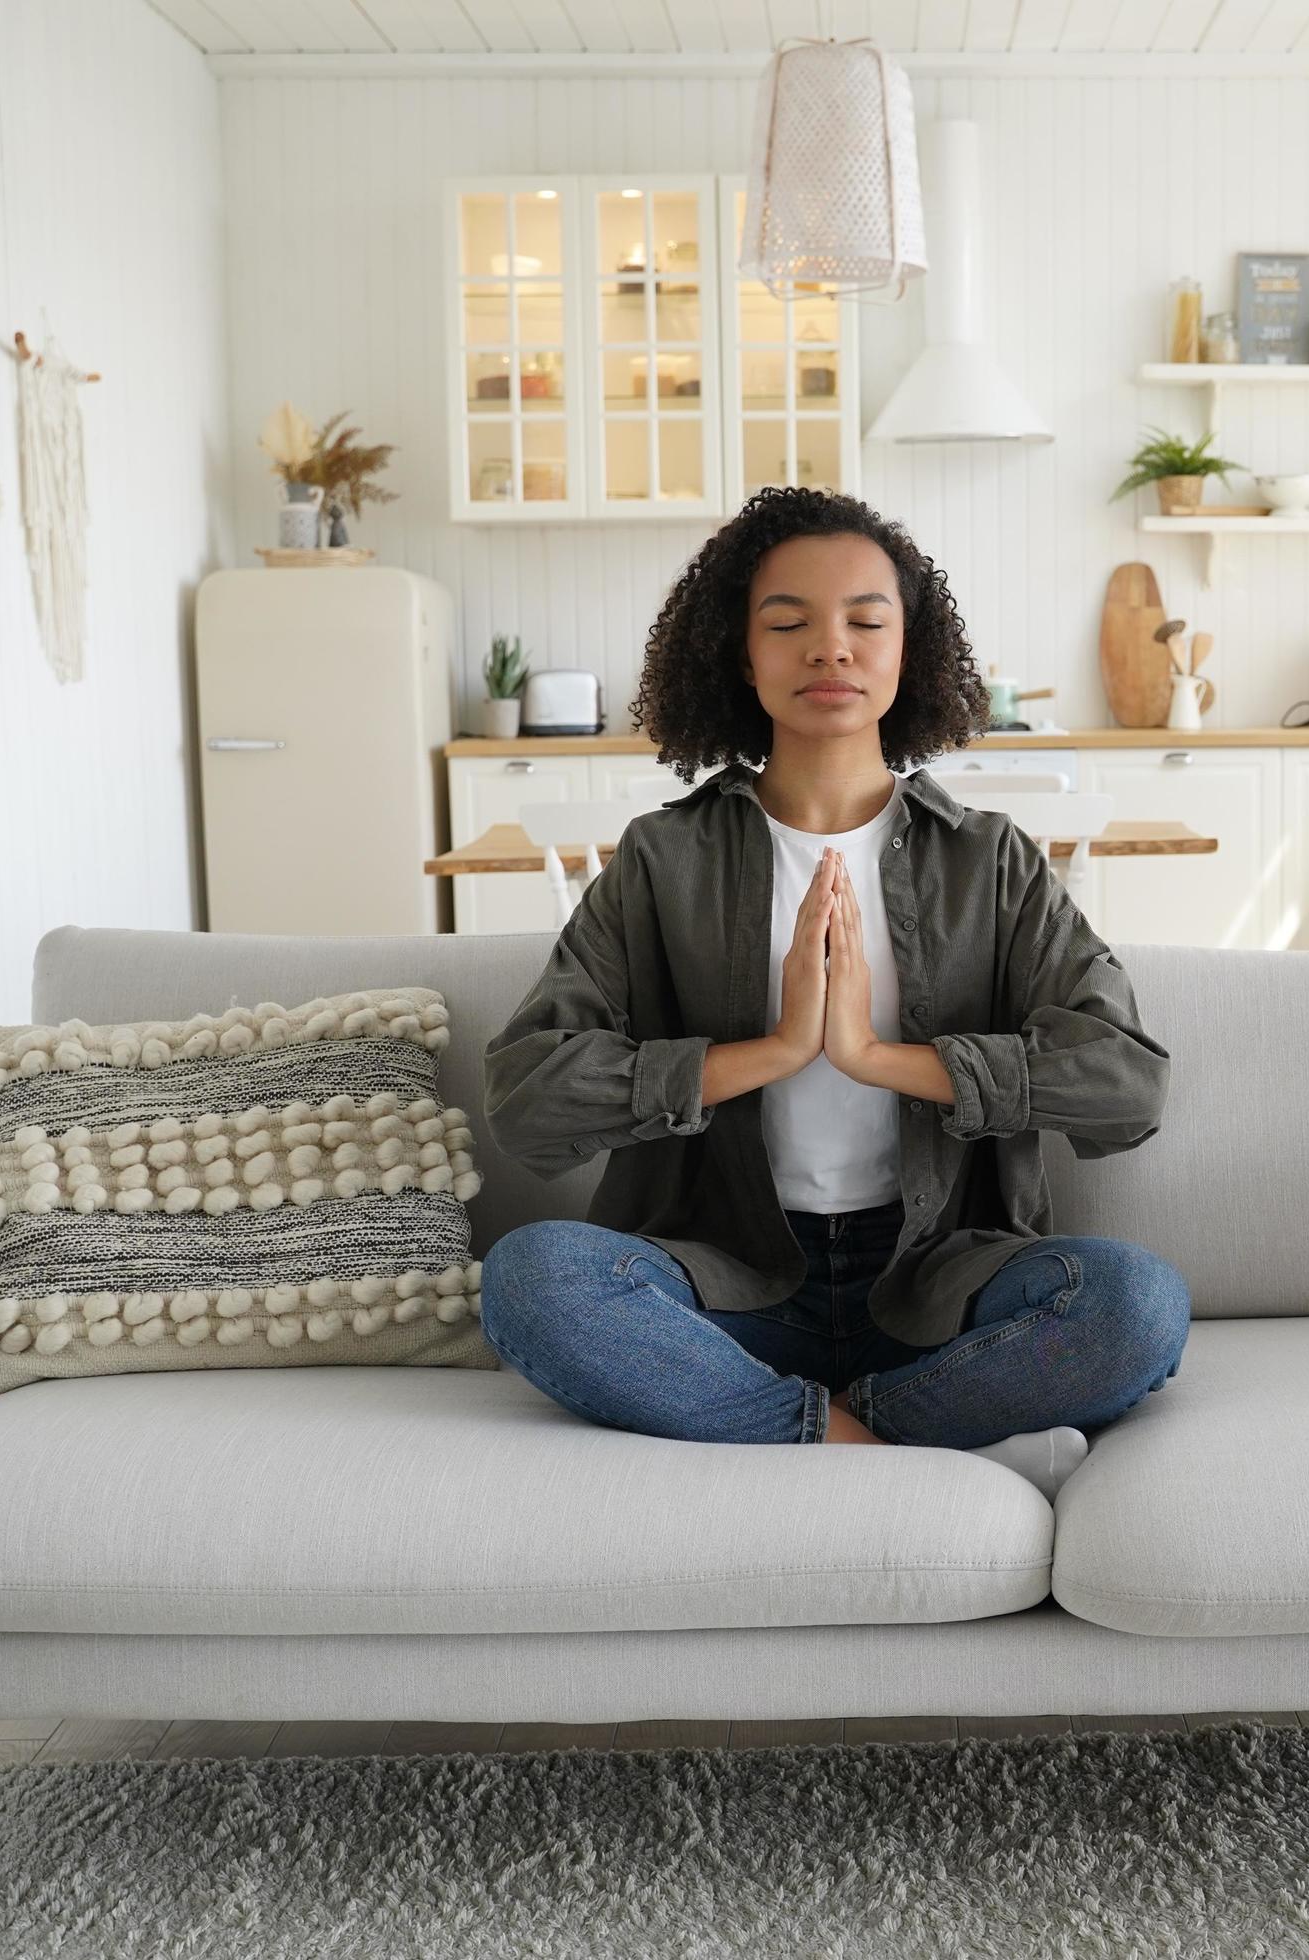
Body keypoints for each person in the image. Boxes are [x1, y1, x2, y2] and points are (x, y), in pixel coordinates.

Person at [478, 487, 1188, 1495]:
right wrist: (763, 1053)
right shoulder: (662, 859)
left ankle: (788, 1429)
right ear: (740, 650)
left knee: (1137, 1305)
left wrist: (876, 1057)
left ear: (910, 649)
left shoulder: (988, 861)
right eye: (788, 623)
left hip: (938, 1285)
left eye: (865, 620)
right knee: (532, 1279)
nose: (831, 649)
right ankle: (881, 1447)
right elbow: (528, 1101)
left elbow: (1127, 1086)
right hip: (722, 1286)